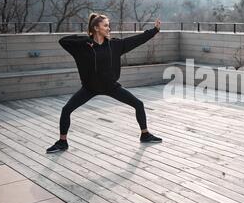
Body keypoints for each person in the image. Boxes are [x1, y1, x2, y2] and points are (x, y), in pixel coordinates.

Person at [46, 13, 162, 153]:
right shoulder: (84, 47)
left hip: (111, 87)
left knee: (138, 104)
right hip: (90, 88)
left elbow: (137, 40)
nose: (109, 28)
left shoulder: (114, 45)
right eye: (105, 25)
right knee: (66, 110)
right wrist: (86, 40)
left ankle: (145, 134)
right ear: (96, 28)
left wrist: (154, 31)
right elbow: (63, 41)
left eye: (109, 25)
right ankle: (62, 142)